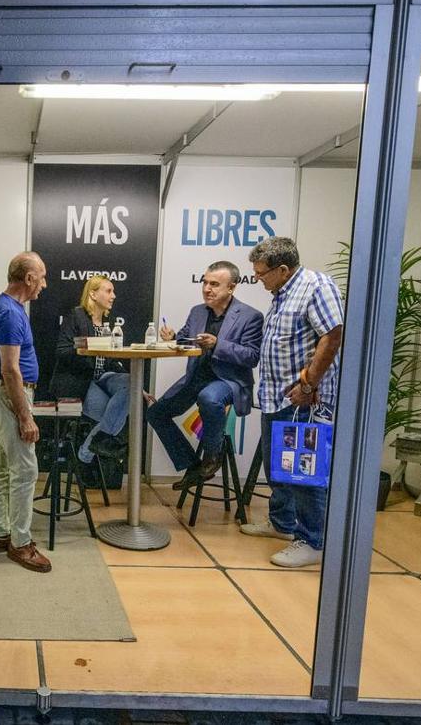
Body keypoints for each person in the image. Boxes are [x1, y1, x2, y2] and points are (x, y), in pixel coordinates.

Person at [240, 236, 343, 568]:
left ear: (282, 269)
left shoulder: (315, 286)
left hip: (306, 400)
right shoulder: (282, 293)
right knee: (278, 469)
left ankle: (313, 541)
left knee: (303, 473)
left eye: (261, 274)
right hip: (276, 398)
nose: (258, 280)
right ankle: (282, 525)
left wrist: (309, 383)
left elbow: (333, 335)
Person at [146, 261, 263, 493]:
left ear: (231, 288)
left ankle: (212, 457)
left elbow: (252, 356)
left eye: (214, 284)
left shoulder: (251, 316)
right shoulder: (197, 311)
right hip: (196, 378)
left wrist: (218, 344)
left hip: (228, 382)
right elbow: (186, 339)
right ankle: (193, 466)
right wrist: (173, 338)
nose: (207, 288)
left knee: (209, 398)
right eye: (205, 282)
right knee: (155, 413)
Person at [0, 252, 51, 573]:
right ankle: (20, 543)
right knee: (24, 470)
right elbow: (11, 369)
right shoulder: (10, 313)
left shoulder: (4, 307)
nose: (44, 284)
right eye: (42, 277)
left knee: (3, 466)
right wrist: (25, 416)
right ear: (28, 278)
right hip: (10, 394)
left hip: (1, 392)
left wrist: (0, 380)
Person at [50, 275, 129, 468]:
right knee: (114, 415)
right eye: (108, 291)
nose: (114, 296)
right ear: (93, 294)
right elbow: (62, 351)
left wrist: (140, 391)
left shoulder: (107, 325)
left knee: (133, 385)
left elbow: (109, 361)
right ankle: (86, 454)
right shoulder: (76, 316)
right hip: (80, 381)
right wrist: (88, 346)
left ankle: (86, 452)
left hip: (103, 377)